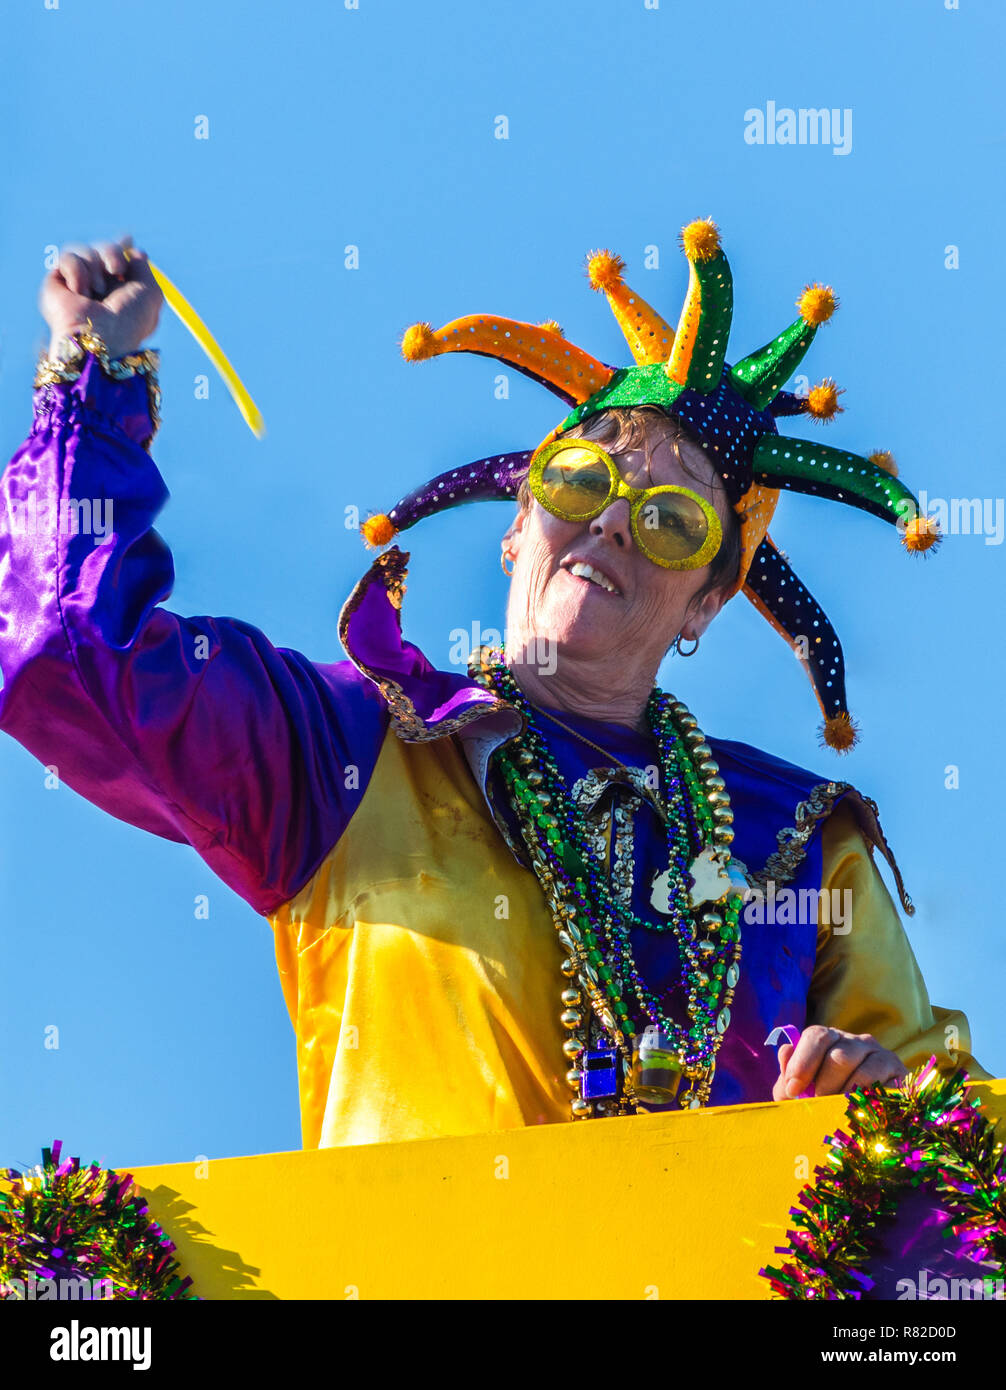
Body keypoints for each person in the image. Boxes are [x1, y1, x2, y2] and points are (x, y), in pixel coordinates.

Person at [0, 221, 989, 1153]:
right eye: (579, 483)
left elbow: (964, 1165)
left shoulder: (798, 840)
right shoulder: (347, 747)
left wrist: (884, 1112)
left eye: (672, 521)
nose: (610, 523)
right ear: (517, 523)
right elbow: (63, 648)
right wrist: (95, 380)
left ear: (706, 605)